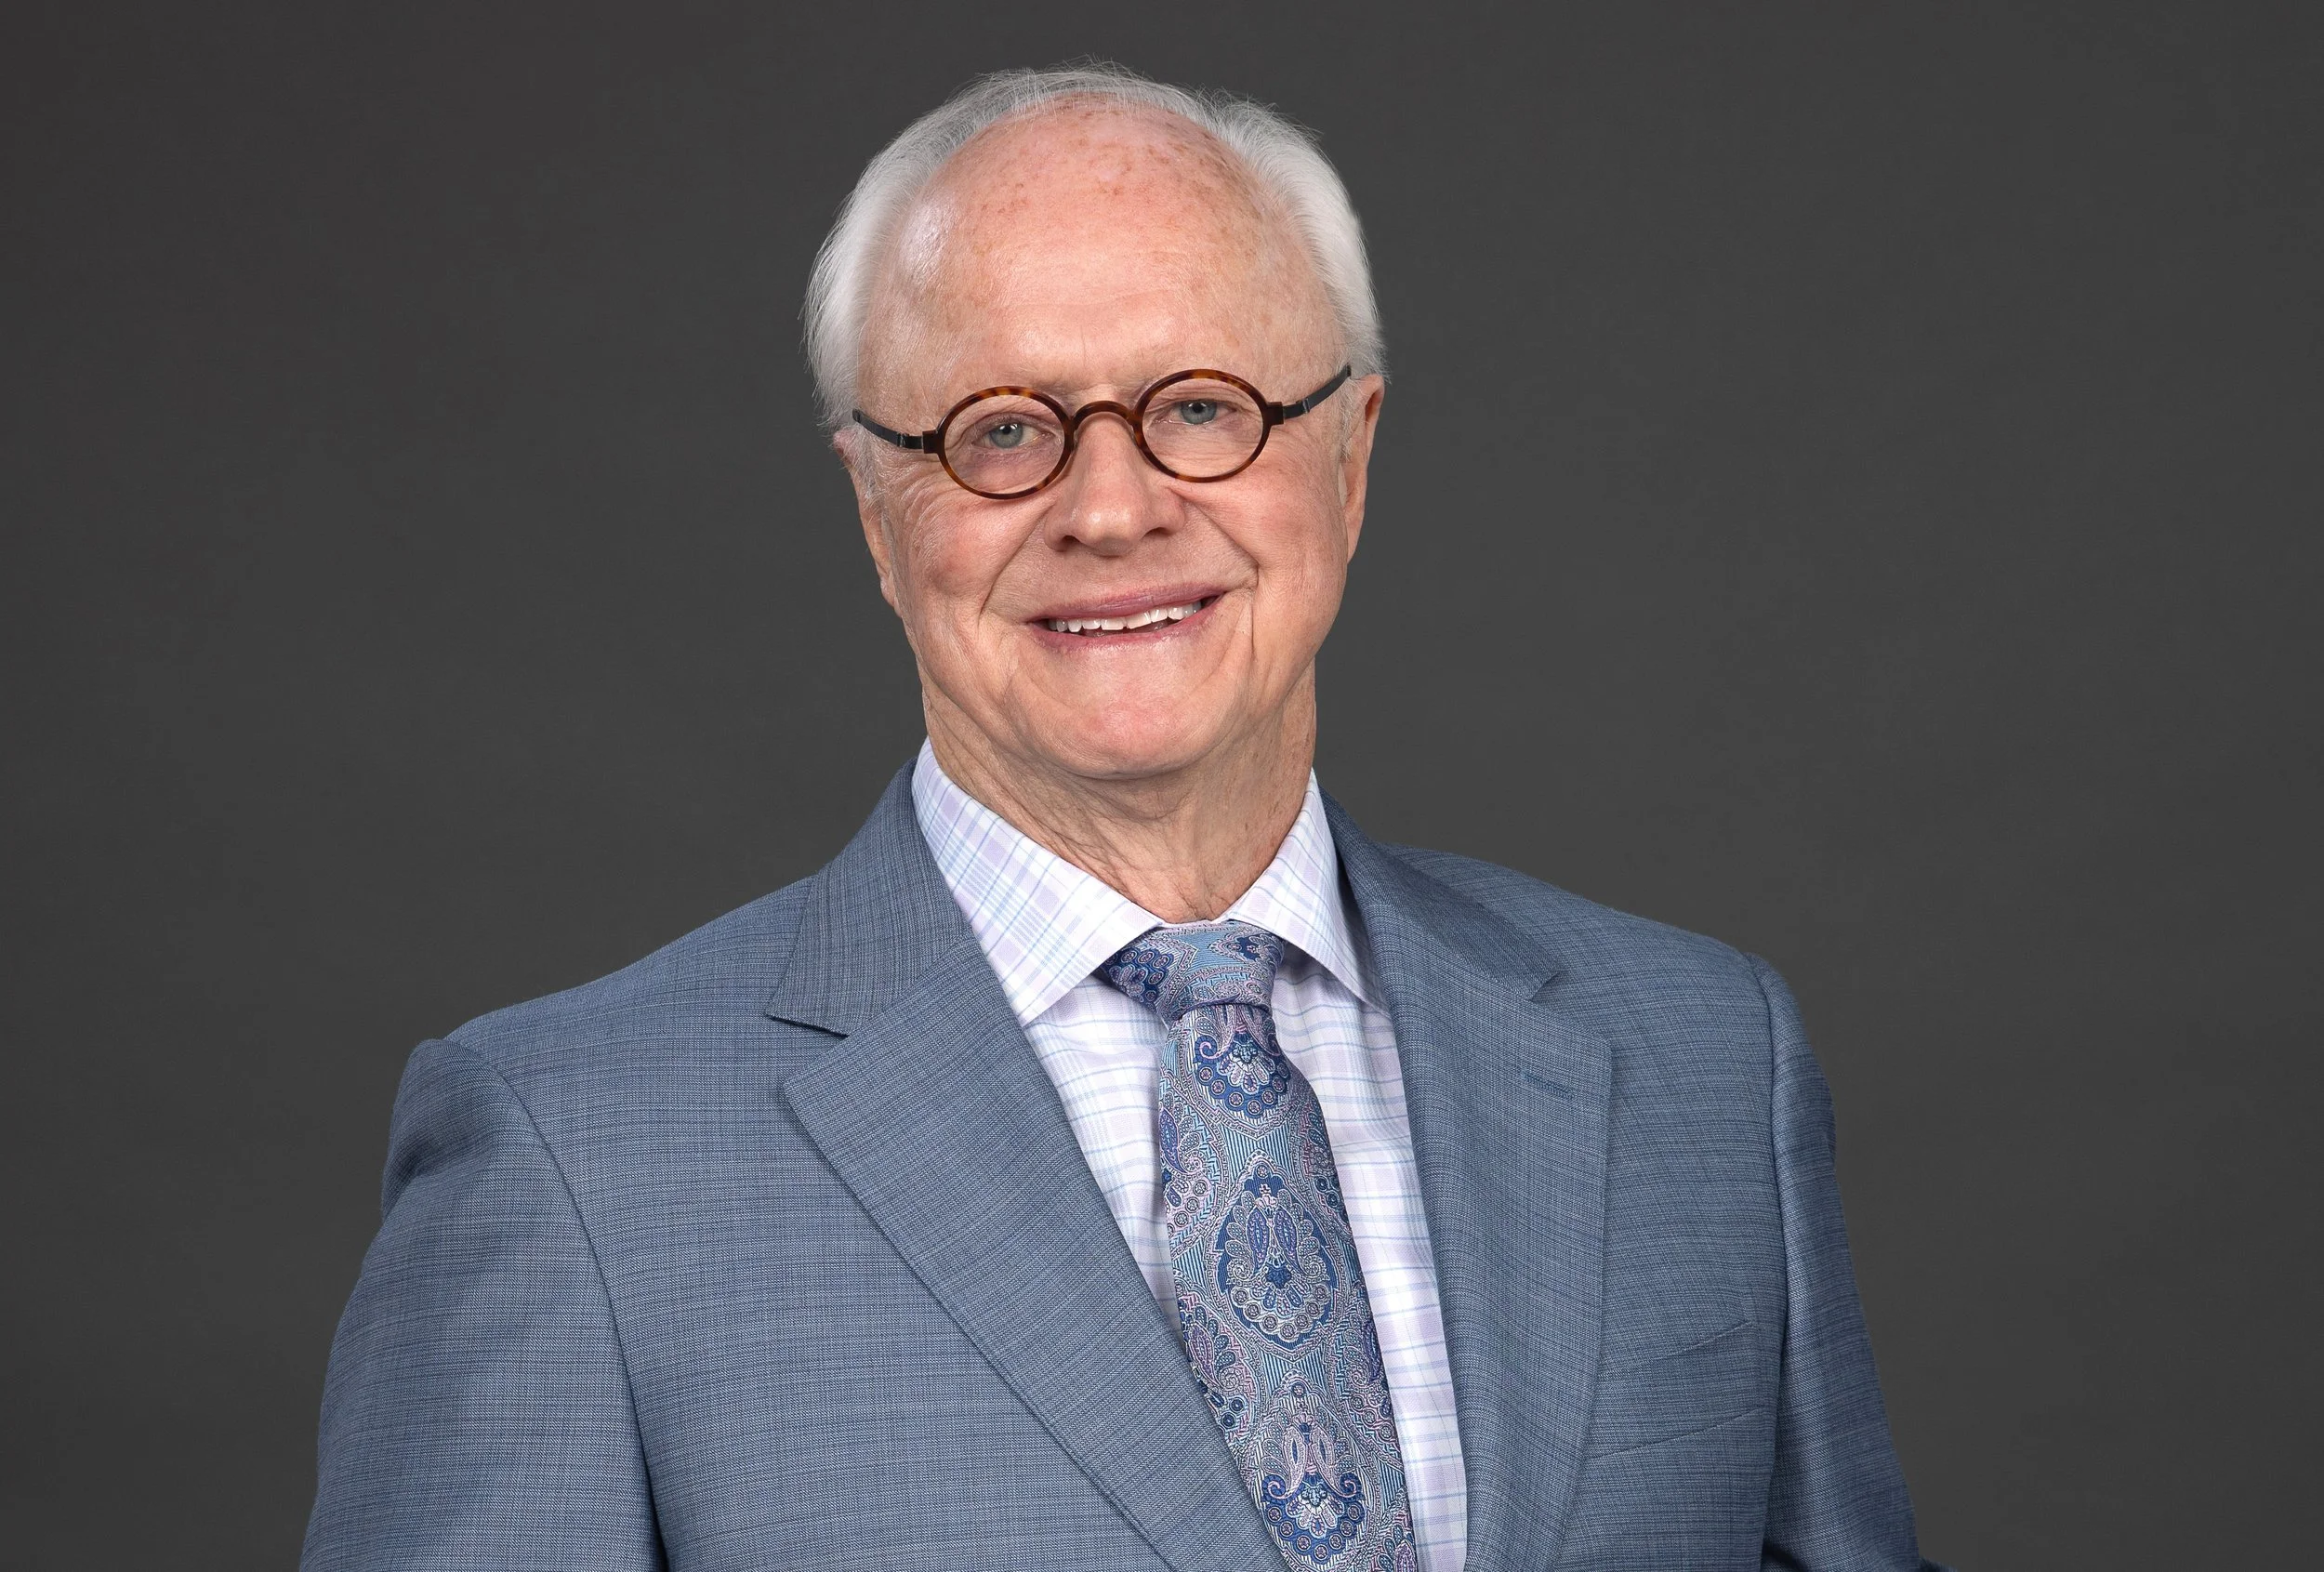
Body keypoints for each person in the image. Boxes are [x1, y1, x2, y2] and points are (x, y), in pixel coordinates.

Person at [303, 65, 1944, 1572]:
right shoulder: (574, 1155)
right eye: (1001, 432)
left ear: (1351, 459)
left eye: (1206, 404)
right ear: (881, 513)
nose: (1112, 506)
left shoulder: (1704, 1063)